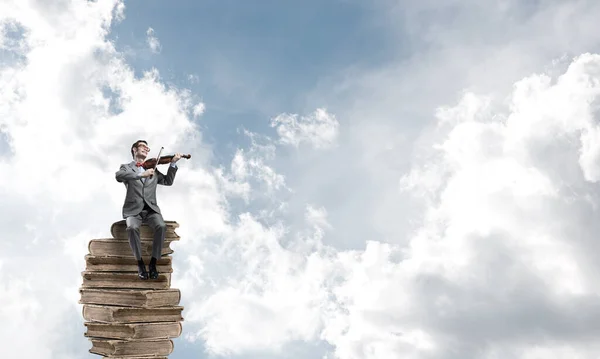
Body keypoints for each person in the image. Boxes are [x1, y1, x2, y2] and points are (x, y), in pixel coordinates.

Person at [115, 140, 181, 280]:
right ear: (134, 149)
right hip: (133, 210)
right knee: (132, 228)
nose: (146, 149)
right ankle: (139, 263)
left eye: (148, 147)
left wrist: (173, 163)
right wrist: (140, 175)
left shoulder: (154, 169)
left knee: (161, 226)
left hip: (151, 209)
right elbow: (119, 176)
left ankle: (153, 263)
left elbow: (168, 181)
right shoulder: (126, 167)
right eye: (143, 146)